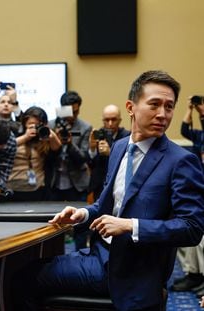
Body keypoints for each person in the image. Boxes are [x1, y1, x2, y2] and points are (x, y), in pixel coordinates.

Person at [11, 70, 204, 311]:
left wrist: (130, 225)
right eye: (154, 104)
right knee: (21, 272)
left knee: (21, 279)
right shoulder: (120, 148)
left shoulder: (181, 160)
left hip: (132, 271)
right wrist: (82, 214)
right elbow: (107, 205)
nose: (163, 114)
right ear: (131, 107)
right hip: (98, 254)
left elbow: (192, 228)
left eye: (169, 106)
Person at [170, 97, 204, 295]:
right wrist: (190, 109)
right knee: (190, 232)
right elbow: (184, 129)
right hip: (200, 189)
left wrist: (201, 111)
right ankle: (194, 275)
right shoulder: (200, 137)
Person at [6, 106, 61, 201]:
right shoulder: (15, 133)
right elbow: (5, 148)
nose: (34, 127)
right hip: (13, 188)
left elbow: (57, 149)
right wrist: (25, 137)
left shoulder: (44, 138)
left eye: (37, 125)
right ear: (24, 124)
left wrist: (49, 133)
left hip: (38, 189)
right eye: (30, 124)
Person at [47, 90, 92, 202]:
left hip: (77, 183)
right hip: (54, 182)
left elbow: (83, 158)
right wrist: (55, 141)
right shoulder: (51, 125)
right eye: (70, 112)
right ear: (62, 109)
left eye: (76, 112)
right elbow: (45, 157)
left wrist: (70, 144)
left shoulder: (85, 127)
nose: (72, 116)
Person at [88, 104, 130, 201]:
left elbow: (129, 162)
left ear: (119, 120)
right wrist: (92, 149)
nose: (110, 124)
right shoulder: (98, 134)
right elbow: (91, 163)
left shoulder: (127, 136)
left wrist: (111, 153)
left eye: (114, 120)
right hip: (99, 185)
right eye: (107, 120)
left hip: (119, 184)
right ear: (103, 120)